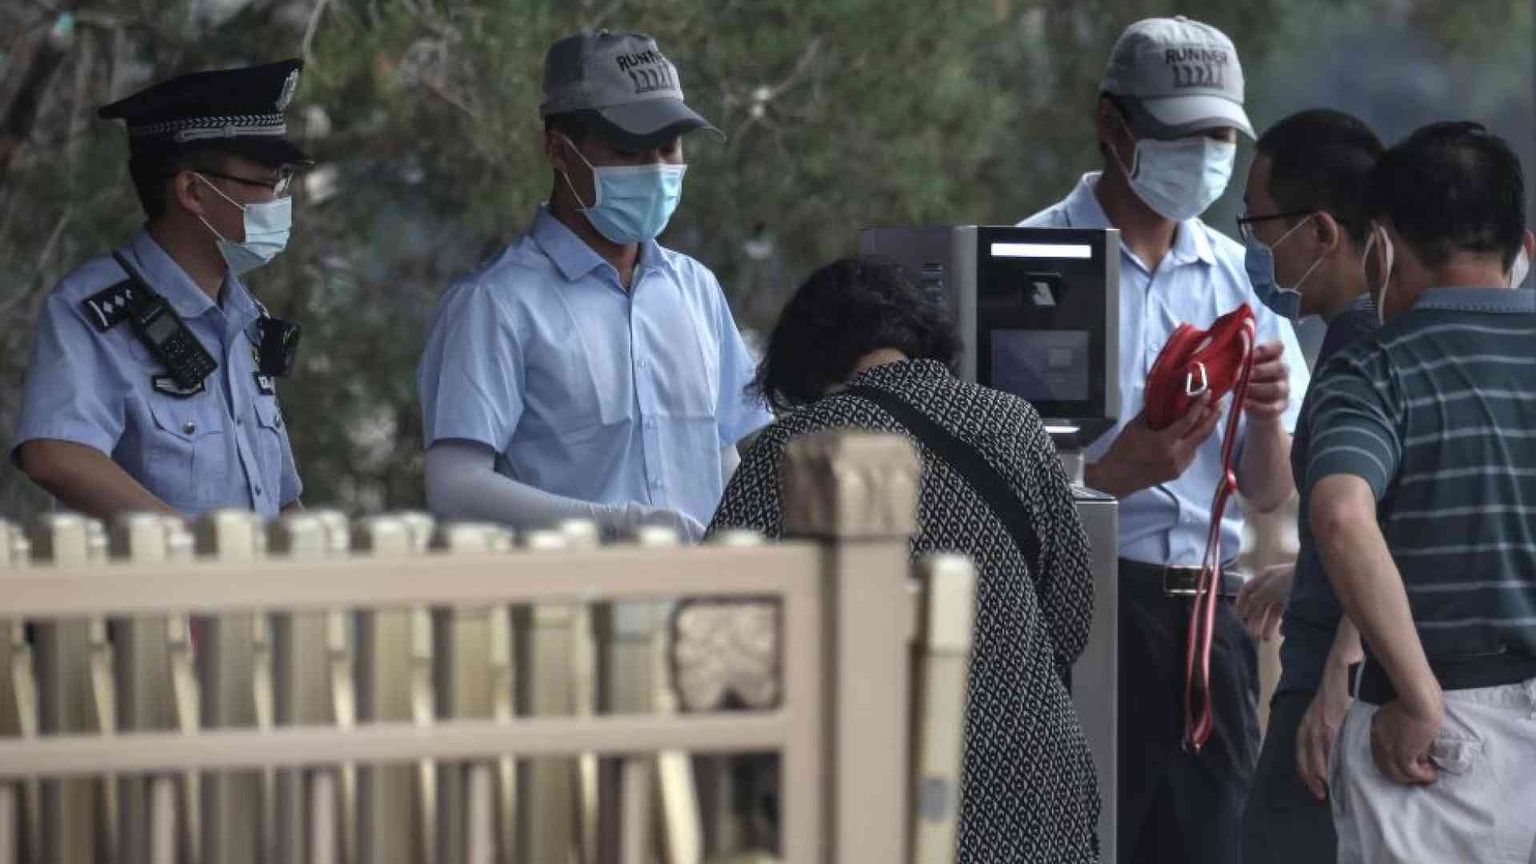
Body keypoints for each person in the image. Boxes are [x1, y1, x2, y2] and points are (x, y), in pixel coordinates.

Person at [1018, 17, 1310, 863]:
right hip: (1077, 615)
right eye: (1182, 134)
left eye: (1220, 137)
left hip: (1208, 620)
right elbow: (998, 481)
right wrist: (1113, 473)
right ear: (1113, 126)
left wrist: (1265, 415)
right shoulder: (1031, 261)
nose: (1205, 157)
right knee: (1078, 840)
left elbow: (1268, 491)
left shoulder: (1243, 279)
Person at [710, 257, 1100, 863]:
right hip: (1038, 779)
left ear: (809, 361)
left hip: (879, 787)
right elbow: (1069, 617)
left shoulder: (798, 449)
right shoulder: (1016, 422)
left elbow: (719, 637)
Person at [417, 30, 770, 541]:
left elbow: (719, 455)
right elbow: (455, 487)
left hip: (701, 589)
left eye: (668, 148)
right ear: (560, 151)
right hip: (571, 590)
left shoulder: (696, 289)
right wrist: (615, 525)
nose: (657, 170)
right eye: (630, 149)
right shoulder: (494, 305)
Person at [1307, 121, 1536, 863]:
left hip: (1443, 750)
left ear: (1382, 246)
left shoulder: (1375, 370)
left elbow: (1343, 514)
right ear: (1521, 246)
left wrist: (1417, 695)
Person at [13, 59, 311, 521]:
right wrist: (187, 548)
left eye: (283, 182)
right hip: (160, 572)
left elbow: (281, 498)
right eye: (267, 183)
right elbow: (55, 453)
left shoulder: (248, 317)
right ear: (193, 191)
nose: (279, 201)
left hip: (254, 570)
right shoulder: (94, 310)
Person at [1229, 109, 1382, 863]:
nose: (1254, 250)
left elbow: (1374, 520)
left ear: (1320, 232)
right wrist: (1311, 574)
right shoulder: (1366, 338)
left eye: (1260, 226)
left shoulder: (1363, 353)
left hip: (1334, 689)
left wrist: (1340, 672)